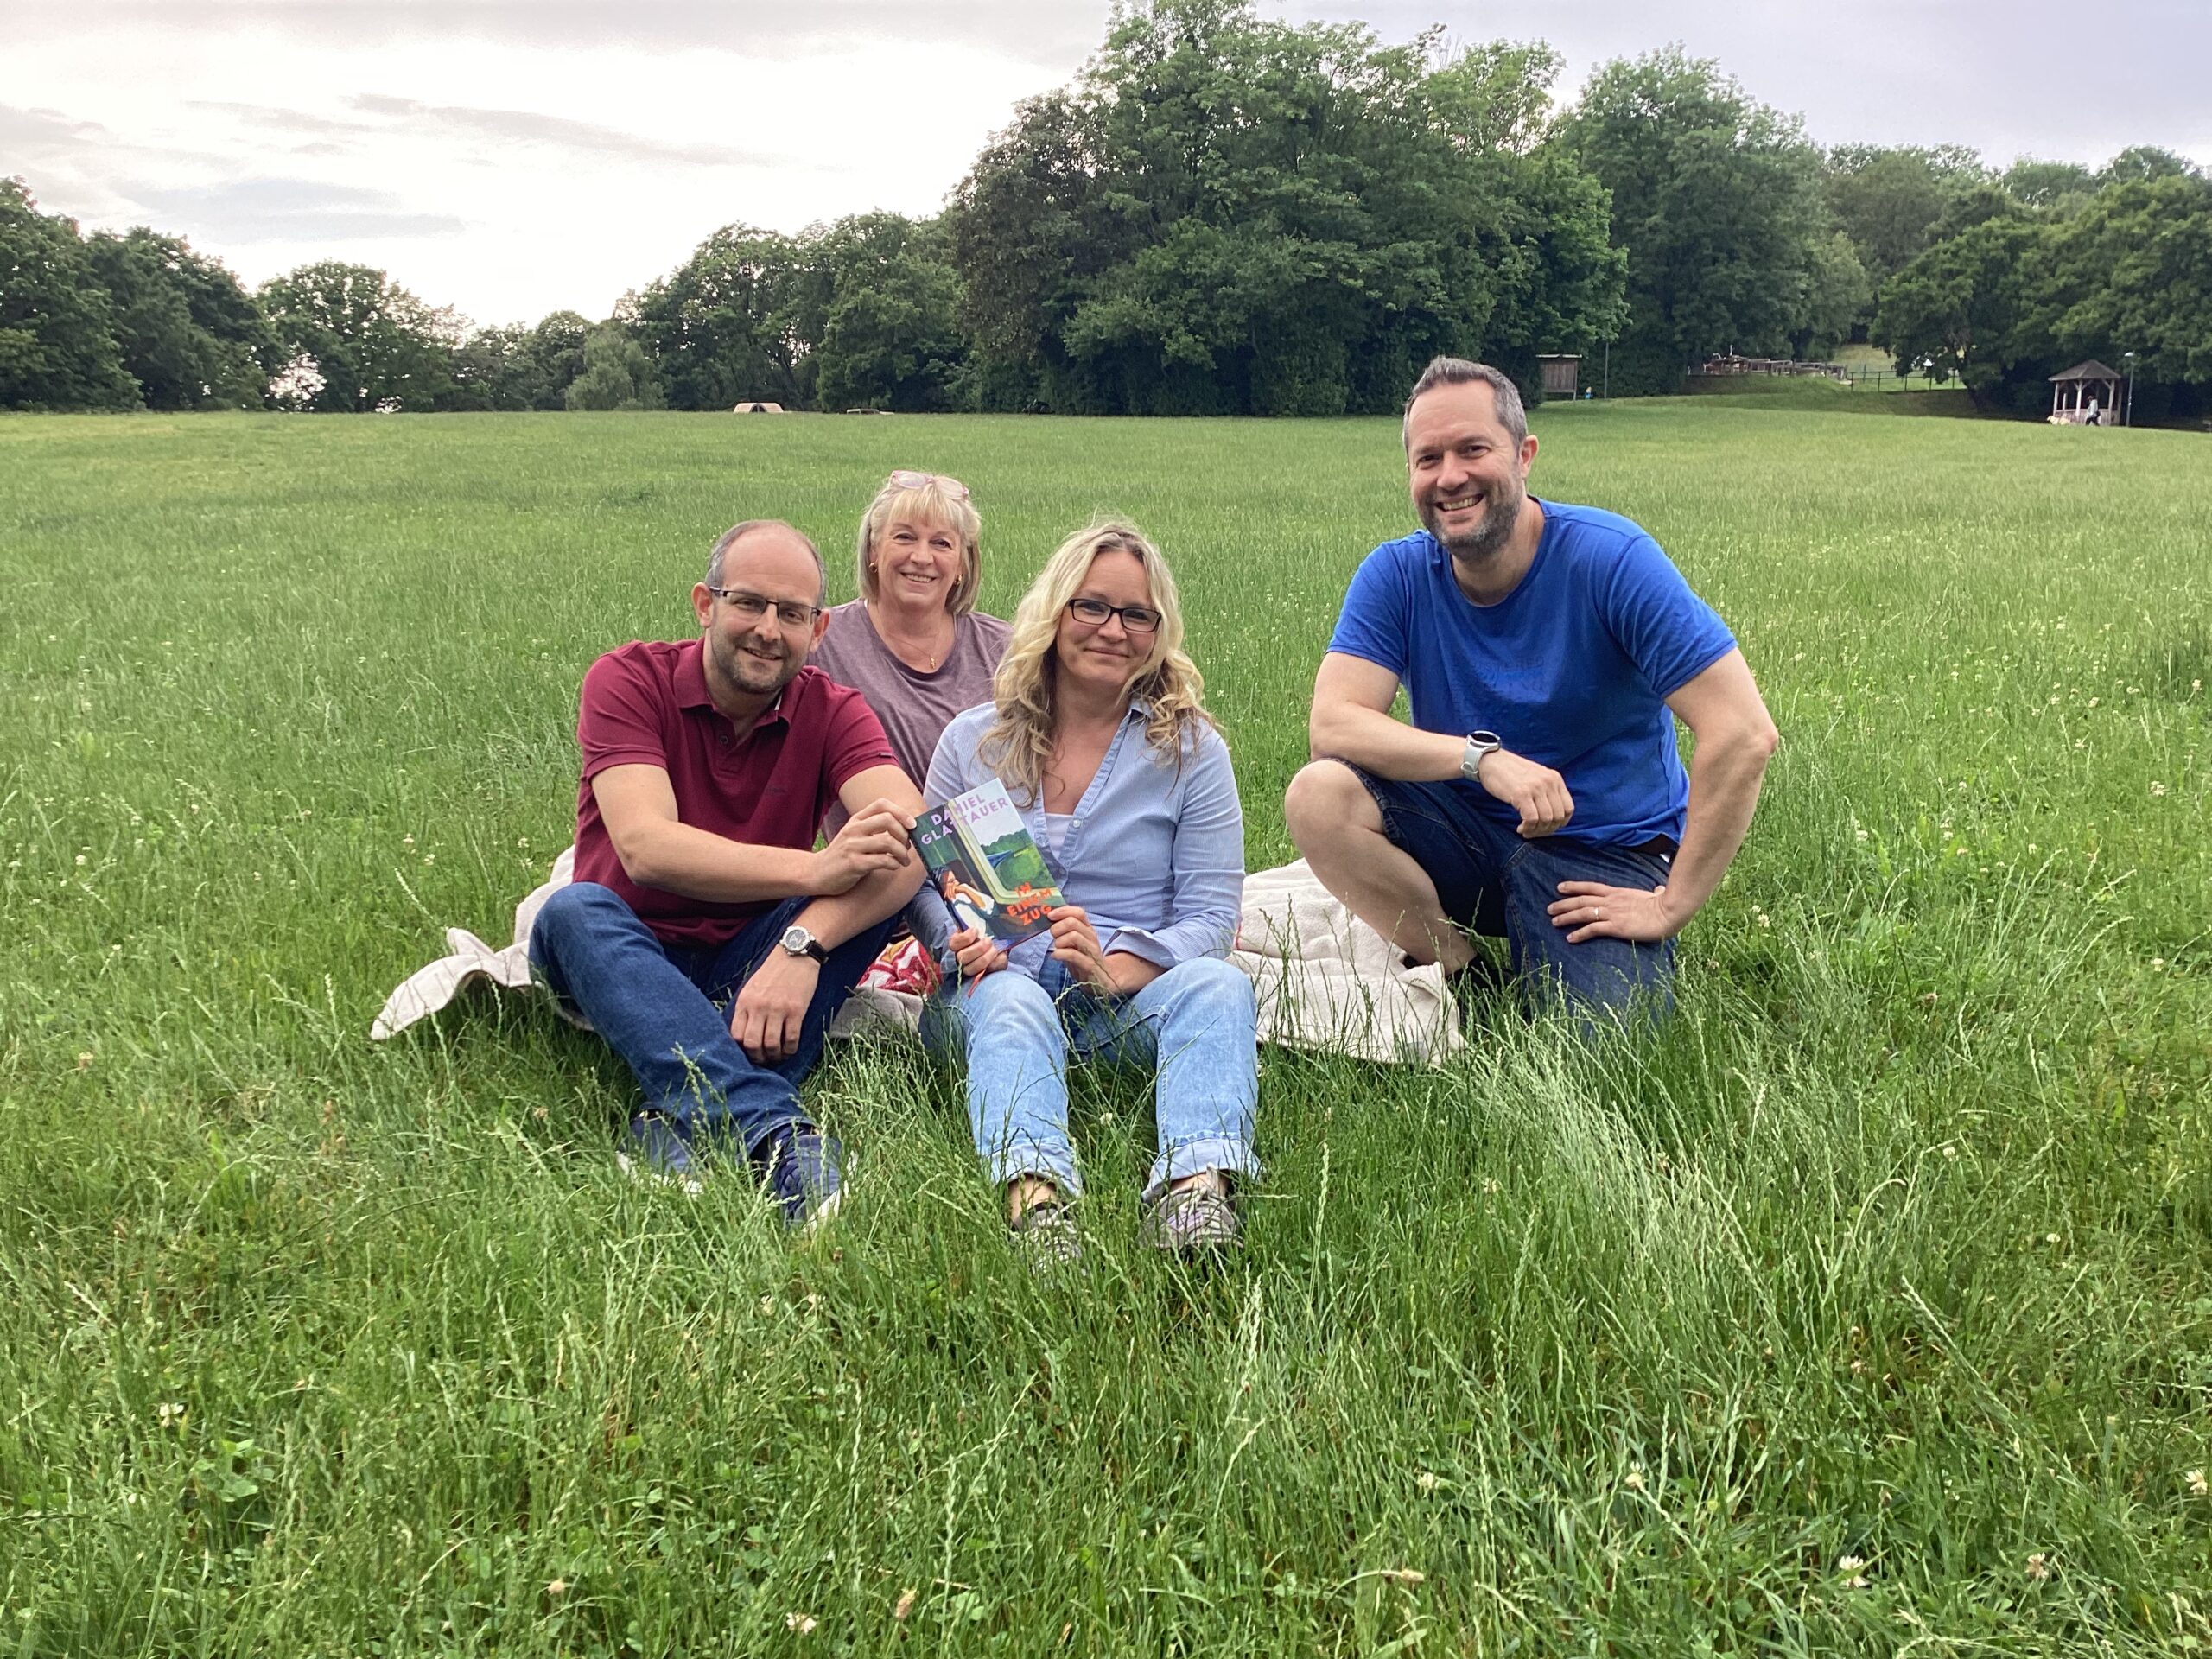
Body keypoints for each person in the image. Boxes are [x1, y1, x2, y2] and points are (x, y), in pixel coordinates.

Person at [1284, 357, 1779, 1024]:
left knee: (1605, 1054)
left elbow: (1744, 733)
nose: (1450, 476)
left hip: (1604, 851)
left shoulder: (1613, 561)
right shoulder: (1397, 575)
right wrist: (1482, 761)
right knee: (1320, 796)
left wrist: (1672, 904)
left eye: (1472, 450)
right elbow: (1335, 725)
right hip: (1468, 832)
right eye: (1428, 458)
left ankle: (1582, 942)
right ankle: (1460, 968)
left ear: (1524, 455)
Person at [528, 519, 927, 1224]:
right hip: (628, 950)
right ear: (705, 604)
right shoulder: (627, 678)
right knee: (571, 912)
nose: (768, 629)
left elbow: (916, 838)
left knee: (880, 877)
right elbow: (647, 849)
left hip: (755, 953)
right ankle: (777, 1132)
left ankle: (671, 1117)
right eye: (749, 603)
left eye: (792, 613)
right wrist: (817, 867)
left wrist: (802, 948)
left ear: (820, 629)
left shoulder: (832, 711)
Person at [914, 522, 1258, 1262]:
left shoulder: (1192, 752)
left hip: (1121, 1010)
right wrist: (959, 941)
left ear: (1159, 633)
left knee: (1221, 987)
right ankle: (1039, 1209)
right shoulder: (972, 741)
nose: (1113, 630)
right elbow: (927, 884)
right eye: (1091, 607)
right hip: (988, 1001)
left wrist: (1119, 969)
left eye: (1138, 615)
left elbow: (1211, 916)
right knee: (1010, 1000)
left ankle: (1194, 1193)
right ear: (1054, 612)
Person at [808, 470, 1011, 788]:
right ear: (874, 551)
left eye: (941, 543)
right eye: (904, 537)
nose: (921, 557)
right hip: (882, 836)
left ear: (961, 564)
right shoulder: (822, 640)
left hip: (999, 838)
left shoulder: (1005, 648)